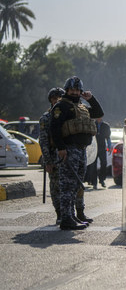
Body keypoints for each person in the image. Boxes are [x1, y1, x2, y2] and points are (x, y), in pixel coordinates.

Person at [50, 77, 104, 230]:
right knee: (67, 184)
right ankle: (66, 219)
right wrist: (61, 148)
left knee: (76, 185)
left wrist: (91, 98)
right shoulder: (62, 106)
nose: (74, 92)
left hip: (81, 150)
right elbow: (54, 128)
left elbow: (99, 112)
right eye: (72, 90)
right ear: (67, 90)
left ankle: (71, 215)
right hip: (69, 149)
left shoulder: (81, 106)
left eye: (77, 90)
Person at [38, 87, 64, 224]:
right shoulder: (46, 118)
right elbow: (43, 140)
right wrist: (48, 161)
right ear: (51, 100)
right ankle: (59, 213)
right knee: (55, 186)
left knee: (69, 186)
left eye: (60, 98)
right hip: (54, 156)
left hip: (68, 156)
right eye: (55, 98)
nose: (57, 101)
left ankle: (70, 213)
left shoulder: (68, 115)